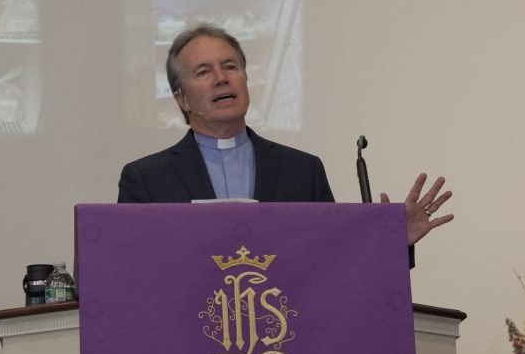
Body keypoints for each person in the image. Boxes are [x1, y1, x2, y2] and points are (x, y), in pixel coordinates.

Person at [117, 23, 453, 250]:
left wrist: (391, 240)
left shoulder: (302, 170)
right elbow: (130, 269)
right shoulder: (147, 179)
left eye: (230, 67)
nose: (221, 78)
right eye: (204, 72)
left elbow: (333, 258)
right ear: (182, 99)